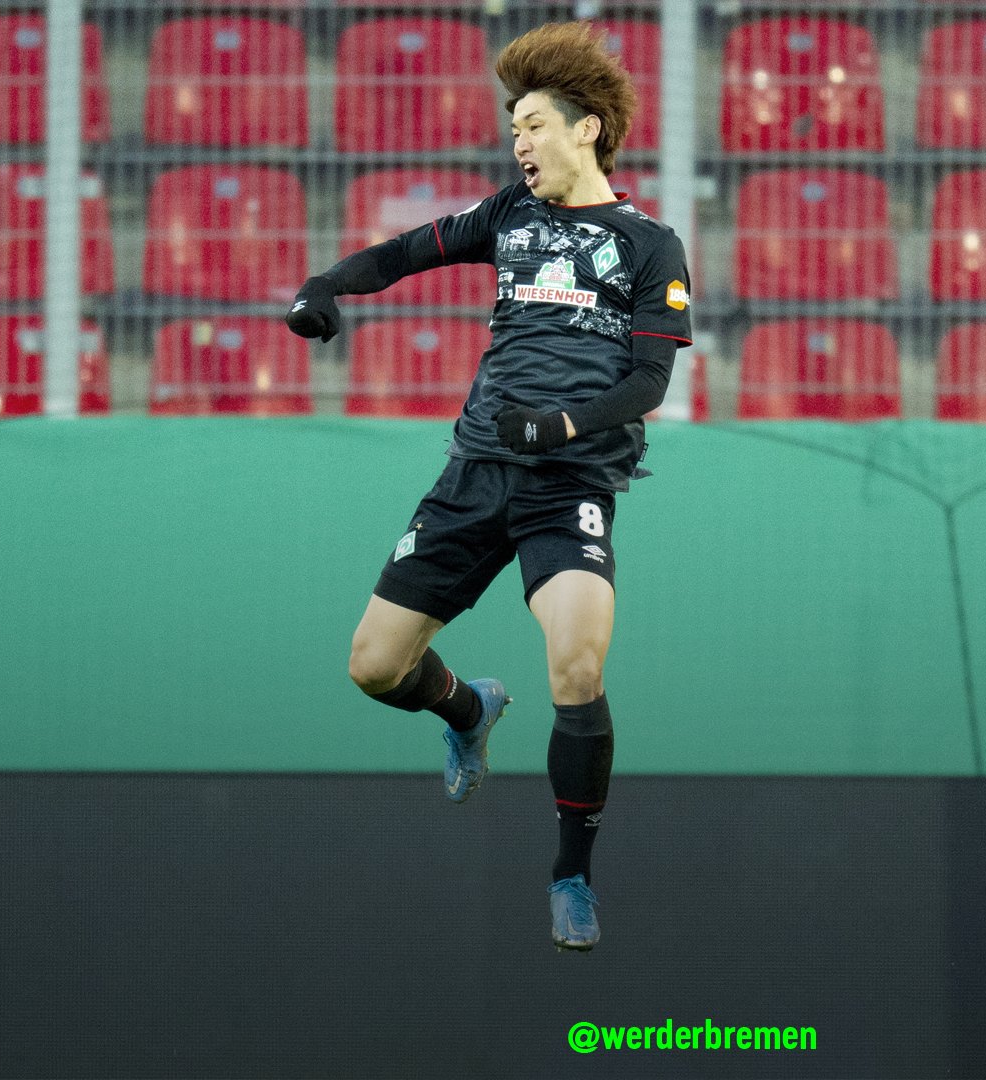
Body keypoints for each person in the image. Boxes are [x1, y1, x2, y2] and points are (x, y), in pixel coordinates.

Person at [284, 20, 692, 952]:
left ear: (586, 130)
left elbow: (648, 384)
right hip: (474, 475)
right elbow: (402, 254)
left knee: (580, 666)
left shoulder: (649, 245)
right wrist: (325, 286)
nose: (520, 145)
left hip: (571, 484)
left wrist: (560, 426)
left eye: (535, 126)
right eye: (513, 130)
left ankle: (572, 876)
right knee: (374, 668)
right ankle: (469, 708)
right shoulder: (509, 214)